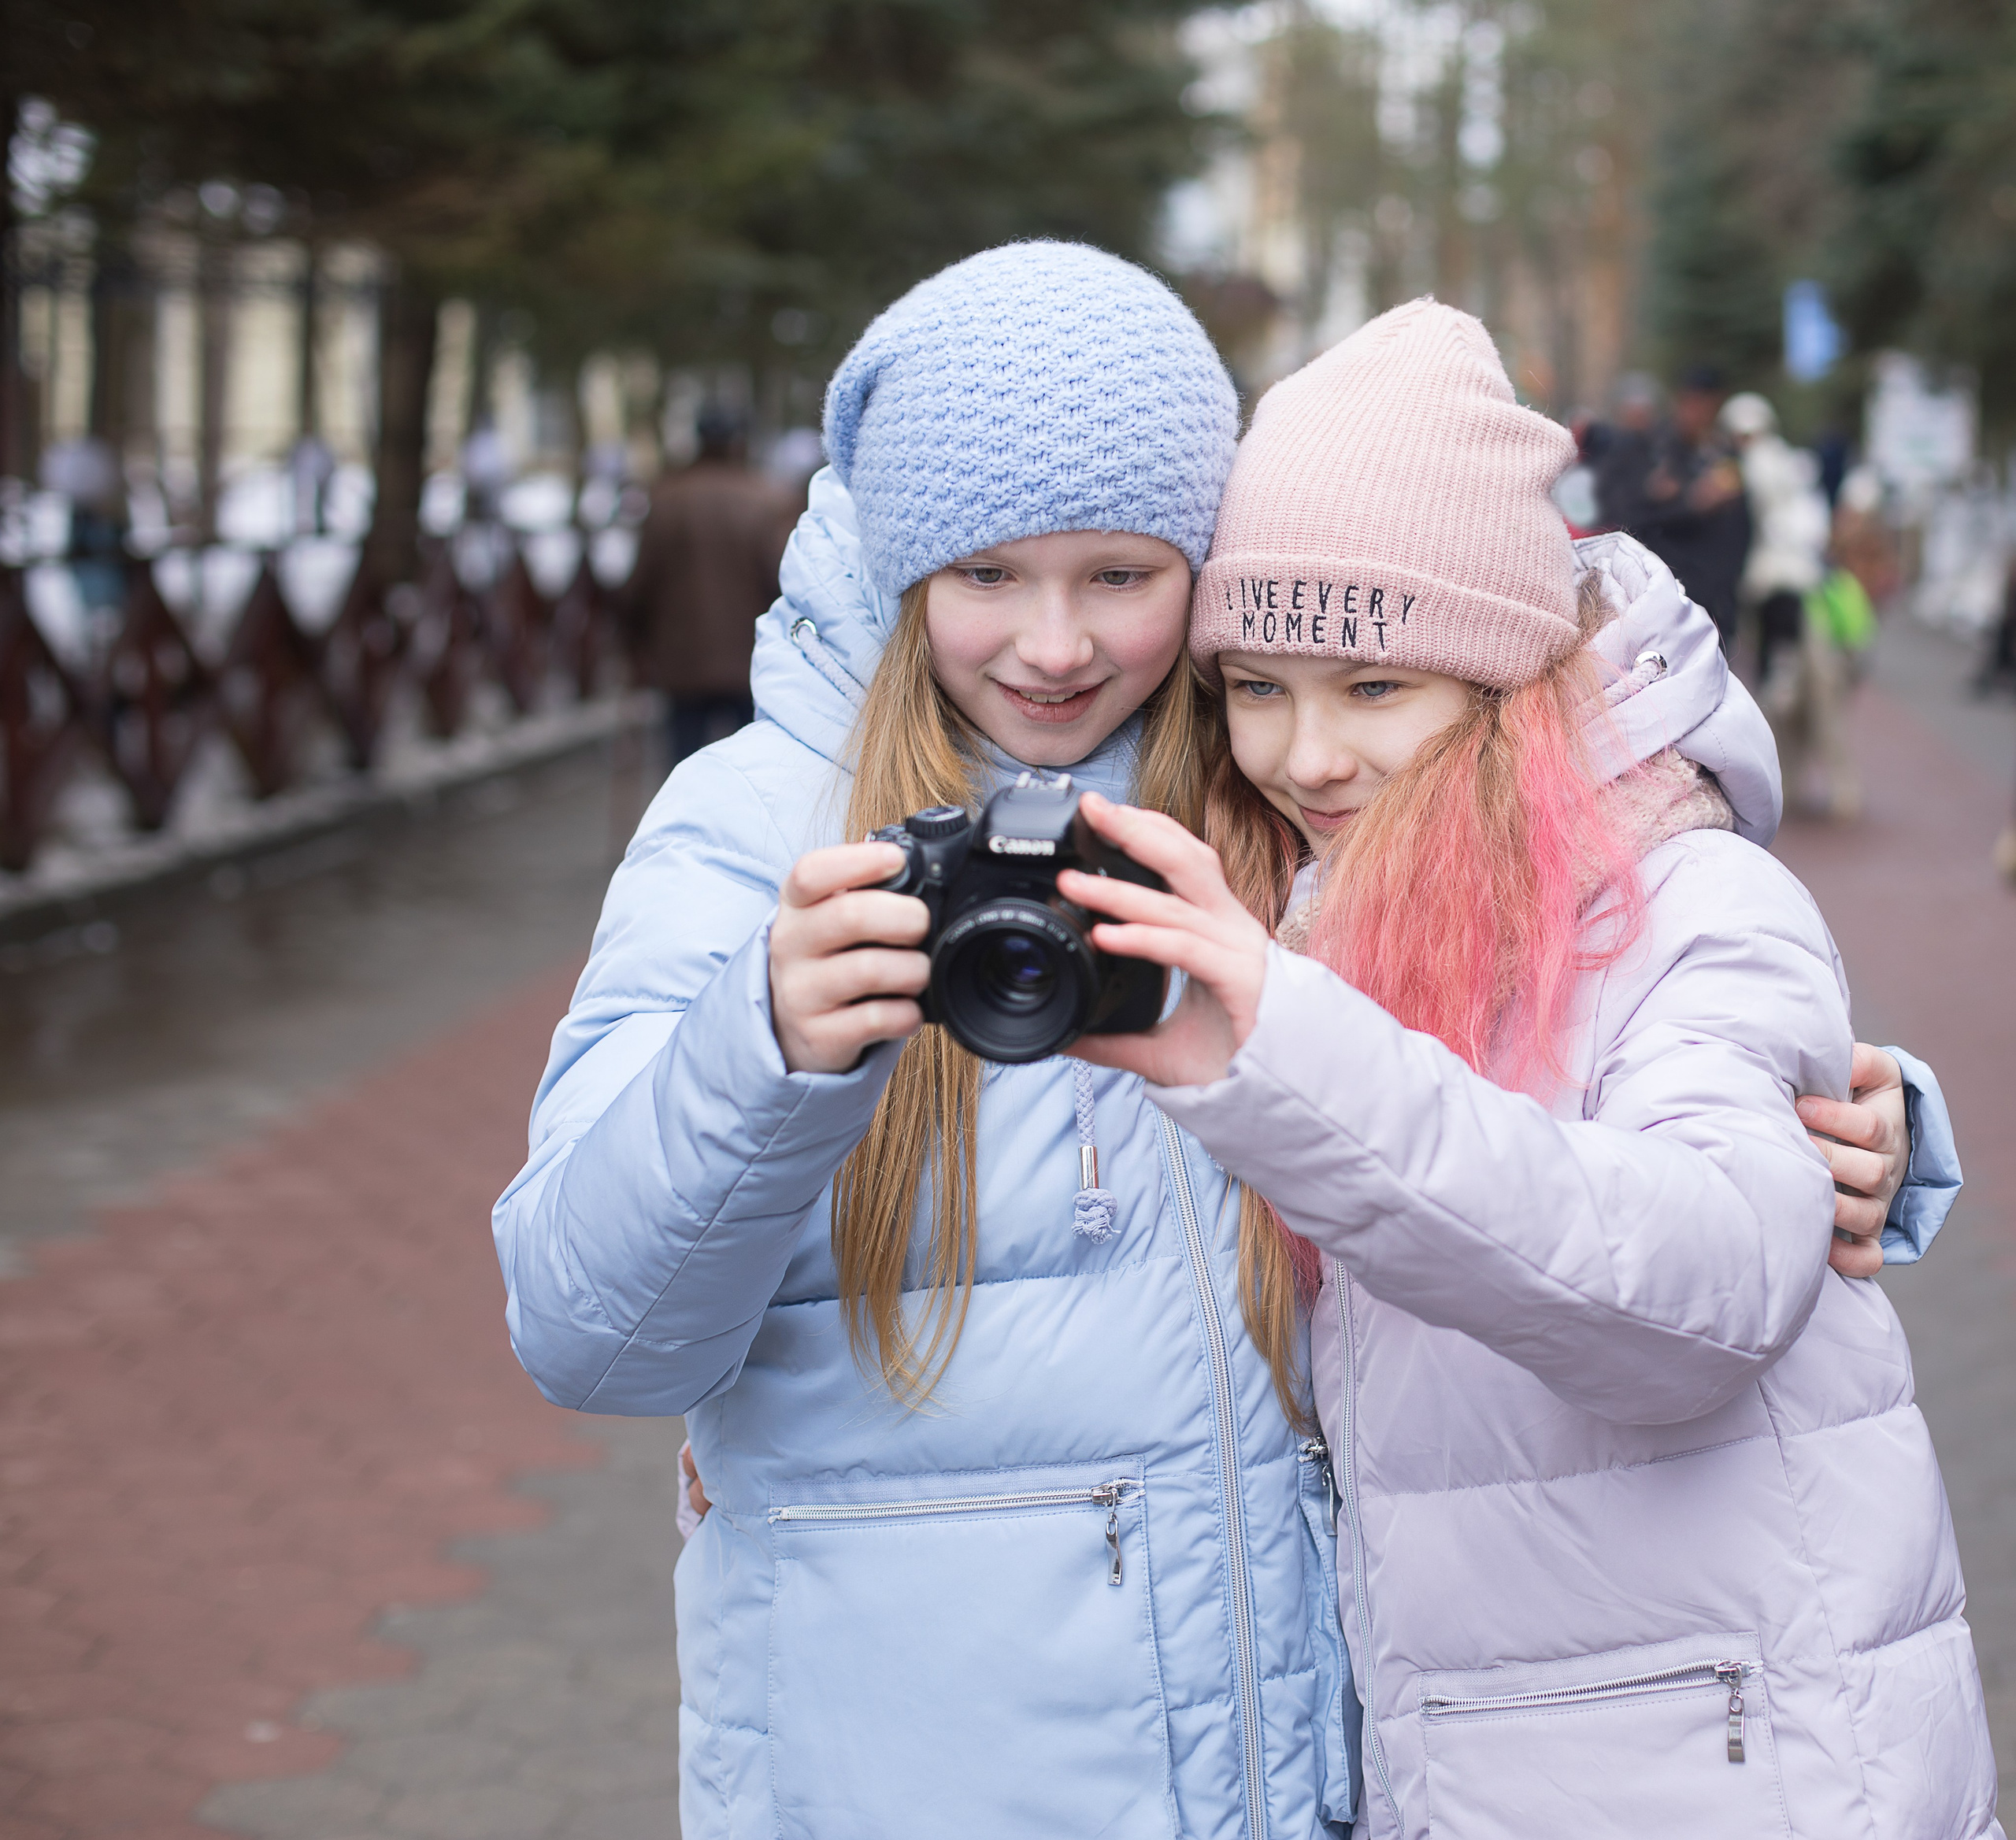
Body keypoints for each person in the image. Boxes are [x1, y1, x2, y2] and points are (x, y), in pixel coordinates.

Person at [1062, 302, 2000, 1839]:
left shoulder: (1686, 892)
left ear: (1503, 681)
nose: (1302, 755)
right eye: (1256, 685)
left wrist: (1278, 1057)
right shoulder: (1298, 899)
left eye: (1373, 687)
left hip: (1720, 1774)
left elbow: (1698, 1279)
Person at [621, 407, 794, 765]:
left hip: (681, 664)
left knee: (683, 771)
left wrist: (634, 643)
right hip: (752, 661)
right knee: (752, 770)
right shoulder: (765, 498)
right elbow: (784, 582)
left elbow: (639, 585)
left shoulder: (666, 498)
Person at [1611, 364, 1751, 652]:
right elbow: (1631, 518)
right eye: (1691, 402)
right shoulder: (1655, 451)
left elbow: (1743, 523)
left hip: (1718, 598)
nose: (1697, 412)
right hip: (1671, 593)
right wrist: (1692, 503)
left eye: (1706, 403)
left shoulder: (1723, 454)